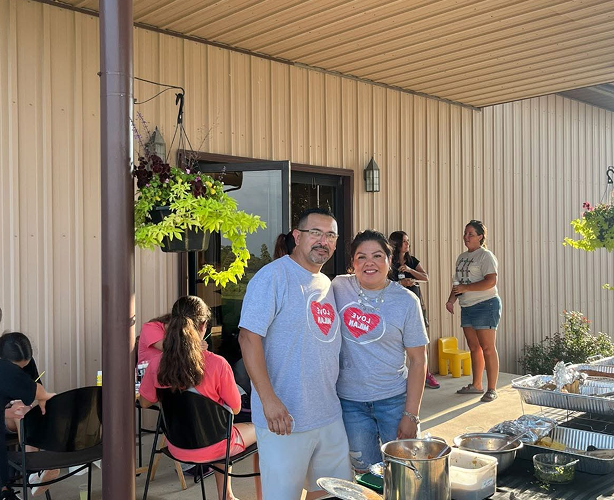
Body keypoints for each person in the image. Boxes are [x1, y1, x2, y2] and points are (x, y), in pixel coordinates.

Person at [238, 207, 352, 500]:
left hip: (328, 414)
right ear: (297, 237)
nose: (323, 241)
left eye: (330, 235)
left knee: (331, 494)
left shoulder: (326, 283)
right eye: (315, 233)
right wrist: (268, 400)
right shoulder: (273, 276)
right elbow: (248, 338)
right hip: (284, 419)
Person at [139, 296, 260, 500]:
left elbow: (144, 402)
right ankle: (230, 495)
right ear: (203, 325)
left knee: (219, 431)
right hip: (215, 446)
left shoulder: (156, 364)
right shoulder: (218, 364)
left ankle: (227, 494)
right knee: (260, 429)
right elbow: (236, 408)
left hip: (177, 447)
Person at [332, 230, 429, 472]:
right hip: (351, 403)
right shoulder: (338, 287)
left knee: (406, 472)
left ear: (389, 260)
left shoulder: (406, 301)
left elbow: (418, 361)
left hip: (394, 401)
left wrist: (411, 414)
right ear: (352, 263)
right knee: (366, 474)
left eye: (377, 256)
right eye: (361, 257)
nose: (369, 263)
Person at [446, 220, 501, 403]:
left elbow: (491, 281)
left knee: (487, 348)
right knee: (474, 347)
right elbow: (458, 283)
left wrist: (466, 288)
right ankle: (476, 385)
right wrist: (451, 299)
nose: (466, 237)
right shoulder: (462, 257)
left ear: (480, 237)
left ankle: (492, 389)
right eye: (465, 233)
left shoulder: (486, 256)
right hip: (467, 306)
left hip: (485, 305)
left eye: (471, 234)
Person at [1, 332, 55, 499]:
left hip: (18, 416)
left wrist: (40, 401)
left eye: (24, 367)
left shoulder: (28, 363)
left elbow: (37, 388)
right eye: (17, 369)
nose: (21, 372)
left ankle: (33, 472)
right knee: (20, 411)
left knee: (23, 412)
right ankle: (30, 474)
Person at [389, 231, 440, 389]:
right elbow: (385, 283)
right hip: (396, 305)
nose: (407, 244)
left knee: (420, 340)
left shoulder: (412, 260)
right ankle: (401, 376)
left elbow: (425, 277)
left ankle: (426, 374)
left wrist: (410, 271)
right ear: (396, 244)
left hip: (414, 303)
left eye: (408, 241)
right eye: (404, 241)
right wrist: (401, 283)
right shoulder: (389, 261)